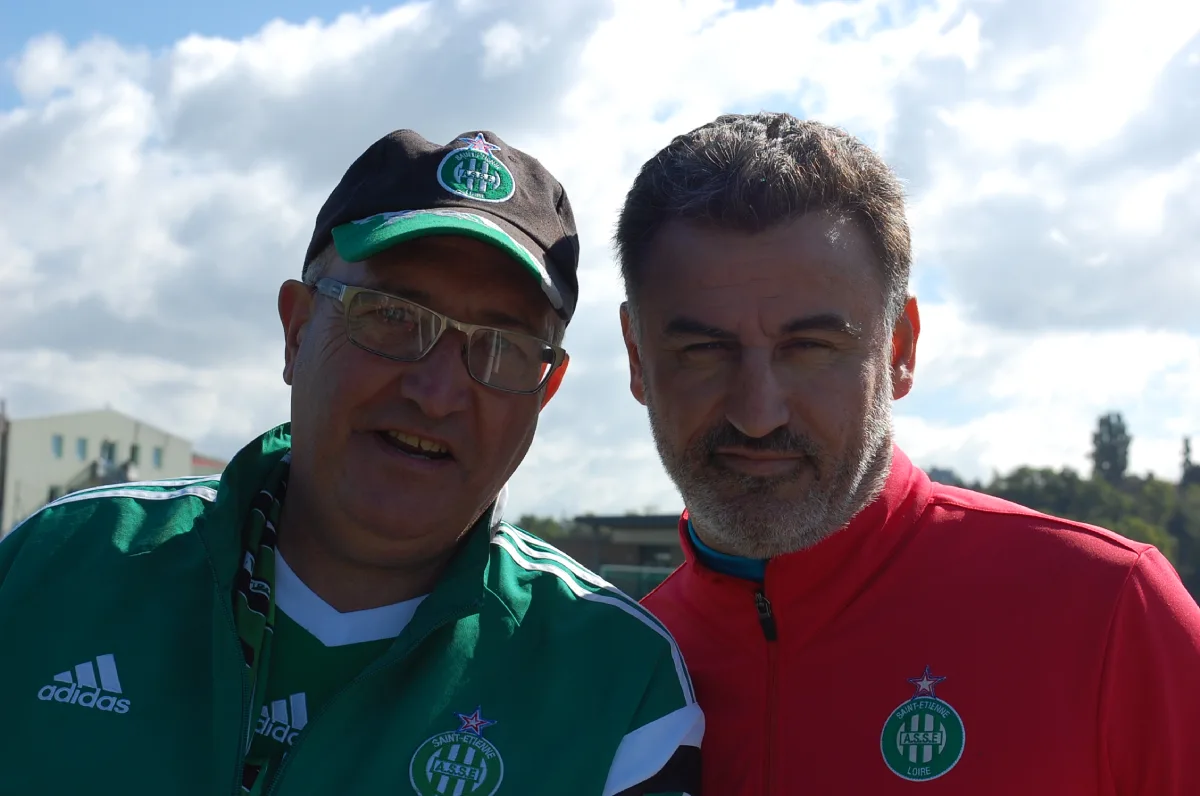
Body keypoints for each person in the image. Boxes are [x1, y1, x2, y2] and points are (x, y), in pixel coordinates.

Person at [0, 128, 703, 795]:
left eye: (501, 347)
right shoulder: (56, 568)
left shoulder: (617, 688)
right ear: (297, 330)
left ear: (543, 392)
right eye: (392, 316)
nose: (436, 393)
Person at [615, 111, 1200, 795]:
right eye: (703, 351)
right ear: (636, 356)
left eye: (810, 348)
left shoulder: (1109, 615)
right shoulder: (608, 677)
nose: (757, 412)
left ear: (899, 349)